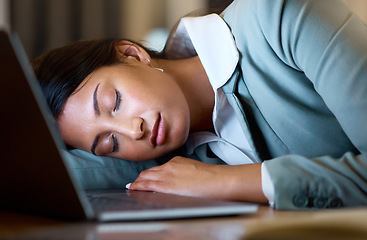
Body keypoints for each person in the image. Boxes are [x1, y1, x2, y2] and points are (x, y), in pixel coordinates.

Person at [32, 0, 367, 210]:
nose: (133, 131)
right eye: (109, 143)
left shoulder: (279, 14)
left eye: (114, 102)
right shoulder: (168, 155)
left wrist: (225, 181)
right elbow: (48, 171)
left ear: (132, 54)